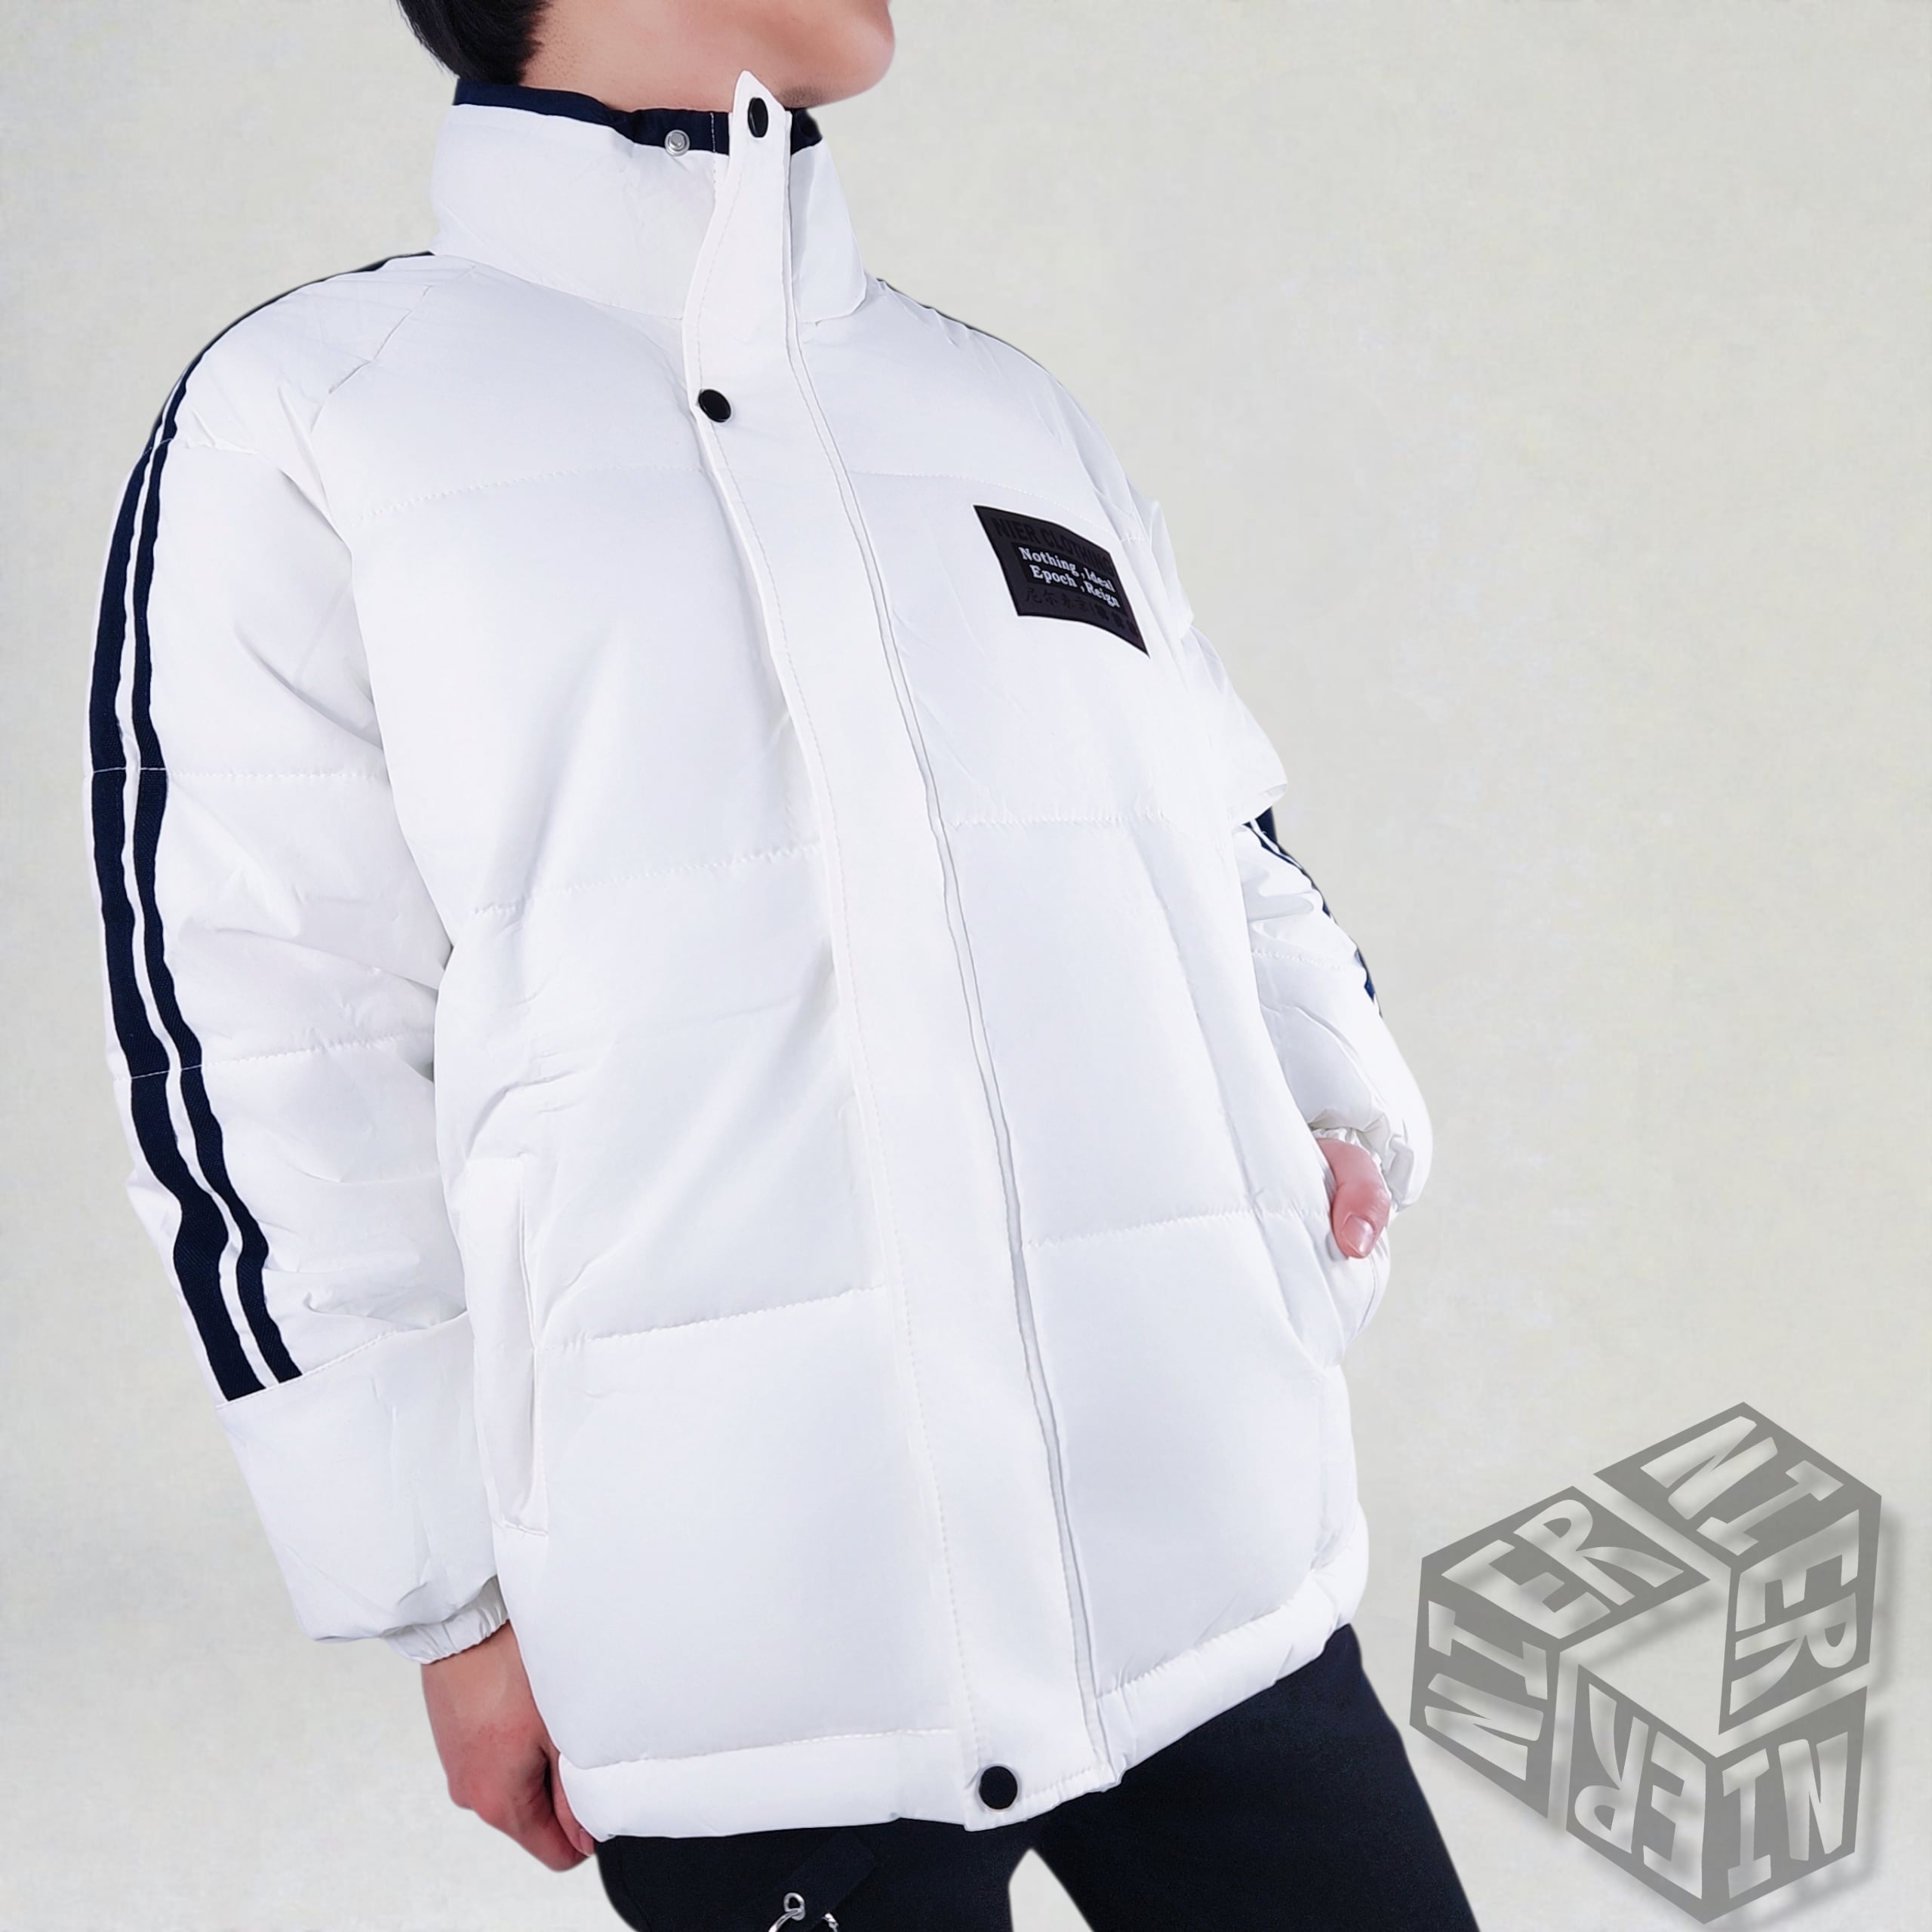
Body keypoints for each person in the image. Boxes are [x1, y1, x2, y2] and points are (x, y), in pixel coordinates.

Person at [85, 0, 1478, 1924]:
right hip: (745, 1646)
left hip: (1217, 1564)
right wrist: (447, 1593)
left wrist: (1323, 1124)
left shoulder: (994, 409)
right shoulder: (320, 416)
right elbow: (262, 1037)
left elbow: (1224, 844)